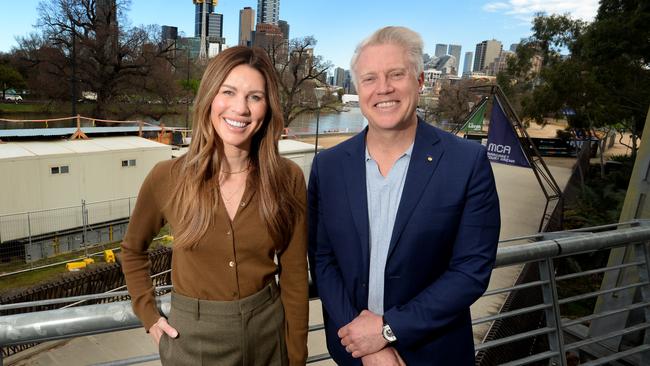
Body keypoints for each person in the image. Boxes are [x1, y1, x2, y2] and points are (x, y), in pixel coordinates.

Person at [308, 26, 500, 365]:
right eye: (369, 78)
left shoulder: (466, 163)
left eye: (396, 74)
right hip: (354, 354)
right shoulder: (329, 166)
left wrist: (385, 331)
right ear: (359, 87)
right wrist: (364, 343)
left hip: (435, 353)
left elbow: (471, 270)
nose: (383, 88)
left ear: (420, 80)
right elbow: (323, 260)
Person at [121, 46, 309, 365]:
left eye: (254, 96)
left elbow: (293, 275)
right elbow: (132, 250)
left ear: (268, 107)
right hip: (193, 342)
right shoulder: (167, 177)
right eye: (229, 92)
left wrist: (296, 356)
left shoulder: (287, 178)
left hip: (267, 334)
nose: (240, 108)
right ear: (210, 97)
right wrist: (149, 315)